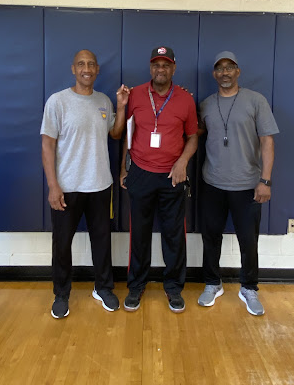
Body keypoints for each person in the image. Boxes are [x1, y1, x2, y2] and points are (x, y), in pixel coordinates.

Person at [41, 49, 130, 318]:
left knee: (102, 241)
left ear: (98, 70)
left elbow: (115, 133)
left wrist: (122, 106)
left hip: (100, 185)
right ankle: (61, 294)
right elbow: (47, 144)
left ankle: (103, 288)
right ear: (73, 69)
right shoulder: (58, 101)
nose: (86, 68)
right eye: (81, 64)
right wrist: (53, 186)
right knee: (62, 243)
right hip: (67, 187)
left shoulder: (104, 101)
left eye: (91, 64)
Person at [198, 51, 279, 316]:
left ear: (238, 71)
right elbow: (194, 132)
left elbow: (267, 141)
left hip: (247, 185)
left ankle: (249, 288)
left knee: (248, 240)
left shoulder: (256, 101)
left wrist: (265, 180)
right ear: (214, 74)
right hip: (212, 183)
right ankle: (212, 283)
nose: (225, 73)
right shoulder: (206, 104)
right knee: (211, 237)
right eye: (219, 68)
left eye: (229, 67)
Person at [120, 46, 198, 313]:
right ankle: (136, 286)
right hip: (140, 172)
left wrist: (182, 162)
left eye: (165, 65)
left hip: (172, 176)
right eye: (156, 65)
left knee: (174, 235)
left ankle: (174, 288)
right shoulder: (136, 95)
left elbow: (193, 137)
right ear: (150, 68)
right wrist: (123, 168)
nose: (160, 69)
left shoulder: (186, 100)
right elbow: (128, 135)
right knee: (139, 235)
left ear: (174, 68)